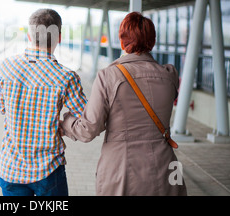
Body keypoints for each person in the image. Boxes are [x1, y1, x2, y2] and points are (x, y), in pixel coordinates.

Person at [61, 12, 187, 196]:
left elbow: (89, 129)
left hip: (121, 170)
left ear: (122, 40)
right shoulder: (169, 75)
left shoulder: (108, 76)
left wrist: (65, 121)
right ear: (152, 41)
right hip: (166, 168)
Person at [0, 8, 87, 196]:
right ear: (59, 38)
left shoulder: (7, 66)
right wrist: (64, 124)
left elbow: (1, 107)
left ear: (30, 36)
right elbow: (87, 117)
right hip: (49, 171)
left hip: (11, 168)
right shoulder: (66, 77)